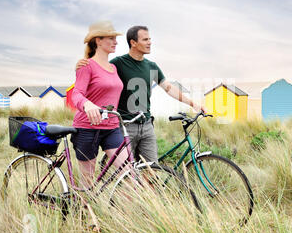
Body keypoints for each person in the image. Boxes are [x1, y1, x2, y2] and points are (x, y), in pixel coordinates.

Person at [76, 25, 206, 164]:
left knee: (151, 168)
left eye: (150, 39)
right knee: (126, 171)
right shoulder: (117, 64)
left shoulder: (151, 66)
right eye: (145, 39)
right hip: (125, 125)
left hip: (147, 124)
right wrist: (83, 62)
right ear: (133, 43)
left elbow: (168, 88)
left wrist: (192, 103)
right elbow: (98, 70)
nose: (150, 42)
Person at [71, 20, 128, 189]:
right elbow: (76, 93)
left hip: (111, 127)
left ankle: (126, 213)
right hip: (87, 128)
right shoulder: (86, 65)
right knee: (87, 182)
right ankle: (83, 212)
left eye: (115, 38)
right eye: (111, 38)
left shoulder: (113, 68)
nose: (116, 42)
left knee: (128, 171)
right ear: (98, 40)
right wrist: (87, 105)